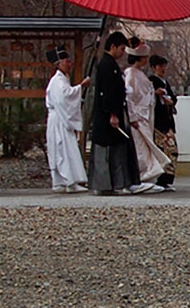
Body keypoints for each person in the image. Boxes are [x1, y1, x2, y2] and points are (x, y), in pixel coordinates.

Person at [88, 31, 140, 195]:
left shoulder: (111, 65)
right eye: (122, 48)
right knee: (108, 151)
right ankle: (107, 184)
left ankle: (114, 183)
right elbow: (108, 92)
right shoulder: (106, 65)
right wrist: (112, 114)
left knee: (116, 149)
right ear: (113, 46)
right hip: (108, 116)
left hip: (113, 113)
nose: (123, 52)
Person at [124, 40, 173, 191]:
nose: (146, 59)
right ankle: (140, 177)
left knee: (146, 148)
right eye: (144, 57)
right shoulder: (131, 74)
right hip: (138, 116)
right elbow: (129, 97)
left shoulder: (139, 74)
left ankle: (149, 176)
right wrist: (132, 117)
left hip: (144, 116)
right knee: (140, 148)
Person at [44, 47, 90, 192]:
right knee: (62, 150)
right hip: (59, 119)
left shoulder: (62, 80)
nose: (69, 64)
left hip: (60, 118)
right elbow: (65, 98)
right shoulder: (57, 81)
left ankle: (64, 182)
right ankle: (66, 182)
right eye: (66, 61)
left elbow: (68, 96)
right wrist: (81, 86)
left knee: (65, 150)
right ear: (58, 64)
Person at [148, 55, 178, 190]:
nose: (163, 69)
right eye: (160, 66)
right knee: (162, 150)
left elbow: (173, 97)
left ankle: (166, 179)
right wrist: (155, 94)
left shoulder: (165, 82)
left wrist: (171, 101)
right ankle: (160, 179)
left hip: (167, 121)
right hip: (158, 123)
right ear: (154, 67)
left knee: (171, 150)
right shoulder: (151, 81)